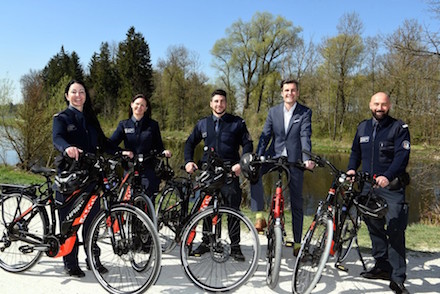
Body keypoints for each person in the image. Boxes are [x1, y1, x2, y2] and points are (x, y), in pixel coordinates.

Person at [53, 80, 127, 278]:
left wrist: (122, 152)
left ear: (86, 96)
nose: (78, 95)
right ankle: (70, 262)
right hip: (70, 176)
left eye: (82, 92)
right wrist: (67, 148)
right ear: (67, 96)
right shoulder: (62, 118)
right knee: (70, 222)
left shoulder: (91, 119)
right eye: (74, 92)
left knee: (92, 221)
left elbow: (104, 144)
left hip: (91, 177)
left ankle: (92, 259)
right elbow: (57, 138)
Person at [347, 92, 410, 294]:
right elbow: (355, 152)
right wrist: (351, 169)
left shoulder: (398, 128)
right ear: (370, 104)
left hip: (391, 187)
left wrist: (388, 176)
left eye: (383, 104)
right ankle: (382, 266)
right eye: (376, 104)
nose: (379, 108)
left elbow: (402, 156)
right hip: (368, 187)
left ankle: (398, 277)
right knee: (373, 226)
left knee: (395, 229)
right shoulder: (363, 127)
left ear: (389, 105)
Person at [184, 89, 253, 261]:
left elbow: (248, 144)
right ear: (211, 103)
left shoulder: (237, 123)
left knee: (232, 209)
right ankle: (207, 241)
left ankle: (235, 246)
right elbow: (190, 143)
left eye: (222, 101)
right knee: (207, 209)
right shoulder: (203, 124)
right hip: (209, 172)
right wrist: (188, 161)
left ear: (226, 104)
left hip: (230, 171)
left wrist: (242, 164)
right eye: (216, 101)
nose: (219, 104)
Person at [251, 78, 315, 256]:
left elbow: (305, 136)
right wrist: (259, 155)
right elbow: (265, 136)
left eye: (293, 90)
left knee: (296, 201)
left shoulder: (304, 112)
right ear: (282, 93)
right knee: (253, 172)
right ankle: (259, 216)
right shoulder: (273, 112)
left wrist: (306, 158)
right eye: (286, 90)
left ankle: (296, 242)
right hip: (274, 155)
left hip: (294, 159)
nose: (290, 93)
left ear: (298, 93)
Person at [110, 93, 171, 201]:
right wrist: (123, 152)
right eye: (137, 104)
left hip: (148, 169)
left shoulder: (152, 125)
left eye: (142, 105)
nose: (139, 107)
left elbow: (159, 146)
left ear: (146, 108)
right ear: (132, 105)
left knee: (147, 201)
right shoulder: (124, 125)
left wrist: (164, 151)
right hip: (130, 169)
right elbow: (110, 145)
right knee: (127, 201)